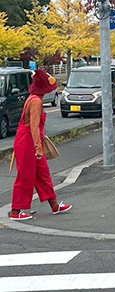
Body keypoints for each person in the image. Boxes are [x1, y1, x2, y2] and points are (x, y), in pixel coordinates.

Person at [9, 70, 71, 220]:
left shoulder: (33, 98)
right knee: (25, 176)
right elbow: (34, 127)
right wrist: (38, 148)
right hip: (28, 142)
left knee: (42, 174)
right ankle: (15, 211)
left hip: (28, 140)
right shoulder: (36, 101)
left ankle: (55, 205)